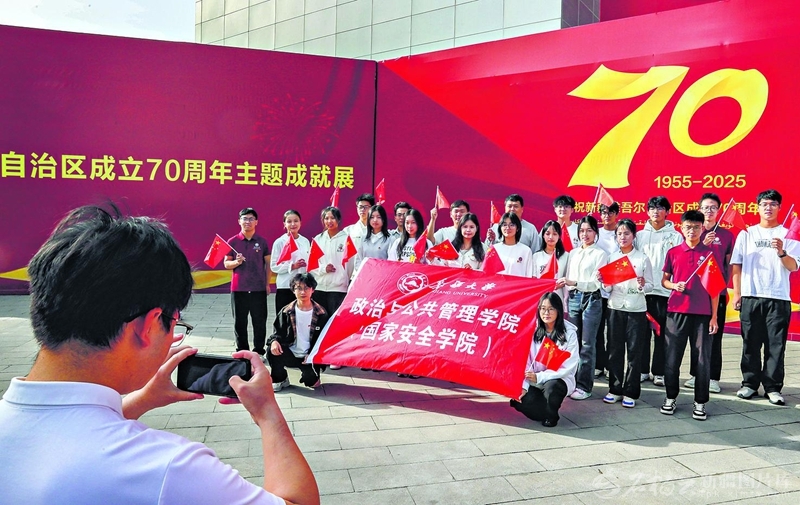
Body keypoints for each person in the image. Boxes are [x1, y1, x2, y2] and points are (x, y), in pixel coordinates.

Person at [0, 204, 319, 505]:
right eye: (175, 323)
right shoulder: (172, 468)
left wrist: (141, 400)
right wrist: (267, 414)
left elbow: (71, 431)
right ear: (149, 326)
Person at [732, 189, 799, 406]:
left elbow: (793, 266)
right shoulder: (746, 234)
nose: (768, 208)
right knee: (750, 343)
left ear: (779, 207)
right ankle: (749, 384)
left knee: (775, 345)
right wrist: (738, 293)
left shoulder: (788, 234)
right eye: (764, 204)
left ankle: (772, 387)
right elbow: (736, 266)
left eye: (772, 204)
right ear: (757, 207)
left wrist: (781, 252)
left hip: (778, 297)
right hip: (751, 296)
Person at [660, 210, 719, 421]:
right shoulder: (674, 252)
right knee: (672, 358)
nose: (692, 231)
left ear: (702, 228)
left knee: (702, 359)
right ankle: (670, 397)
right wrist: (674, 285)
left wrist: (714, 317)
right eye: (688, 227)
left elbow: (715, 289)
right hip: (676, 312)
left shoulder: (709, 254)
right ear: (681, 228)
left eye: (696, 227)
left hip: (702, 314)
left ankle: (700, 402)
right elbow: (664, 280)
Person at [601, 219, 654, 409]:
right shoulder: (612, 258)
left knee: (634, 352)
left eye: (626, 233)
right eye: (619, 234)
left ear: (633, 236)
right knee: (614, 350)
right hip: (615, 307)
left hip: (636, 309)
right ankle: (615, 388)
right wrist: (604, 281)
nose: (622, 237)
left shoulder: (642, 258)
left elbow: (650, 285)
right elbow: (607, 288)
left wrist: (642, 285)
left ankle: (631, 391)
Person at [685, 193, 734, 394]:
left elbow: (729, 265)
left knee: (714, 335)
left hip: (716, 292)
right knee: (695, 335)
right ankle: (695, 374)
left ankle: (713, 377)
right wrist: (703, 242)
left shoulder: (726, 235)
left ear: (718, 210)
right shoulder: (694, 232)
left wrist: (723, 286)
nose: (709, 211)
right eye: (705, 207)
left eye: (713, 207)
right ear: (699, 209)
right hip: (696, 293)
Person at [510, 292, 579, 428]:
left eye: (551, 309)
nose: (546, 313)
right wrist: (524, 386)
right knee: (522, 402)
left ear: (558, 310)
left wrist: (540, 377)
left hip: (557, 379)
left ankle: (551, 416)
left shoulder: (569, 333)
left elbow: (568, 365)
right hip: (533, 378)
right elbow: (525, 359)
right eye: (543, 308)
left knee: (551, 389)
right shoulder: (532, 329)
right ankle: (544, 410)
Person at [635, 196, 683, 385]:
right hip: (643, 292)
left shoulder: (676, 236)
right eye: (653, 208)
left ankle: (659, 372)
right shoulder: (639, 236)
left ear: (667, 211)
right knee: (641, 334)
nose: (656, 211)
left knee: (663, 334)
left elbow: (677, 265)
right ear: (647, 211)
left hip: (664, 292)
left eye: (660, 208)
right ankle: (642, 370)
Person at [564, 215, 609, 400]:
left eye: (589, 230)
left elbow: (595, 284)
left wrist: (574, 282)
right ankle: (571, 381)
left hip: (592, 299)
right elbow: (567, 279)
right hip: (574, 298)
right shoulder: (573, 253)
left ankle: (584, 386)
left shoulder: (600, 254)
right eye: (582, 231)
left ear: (595, 232)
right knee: (572, 341)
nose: (585, 234)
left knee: (587, 344)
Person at [267, 273, 330, 392]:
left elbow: (325, 340)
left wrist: (312, 355)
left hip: (310, 357)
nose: (303, 292)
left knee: (313, 383)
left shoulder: (321, 313)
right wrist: (274, 341)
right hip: (290, 352)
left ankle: (311, 375)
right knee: (271, 350)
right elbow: (277, 332)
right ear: (293, 290)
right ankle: (280, 378)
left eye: (306, 288)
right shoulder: (286, 311)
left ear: (313, 290)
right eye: (299, 288)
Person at [225, 207, 270, 358]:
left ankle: (259, 351)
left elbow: (268, 264)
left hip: (258, 288)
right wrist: (236, 262)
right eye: (245, 218)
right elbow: (226, 264)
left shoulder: (262, 242)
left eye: (251, 219)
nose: (248, 222)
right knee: (240, 322)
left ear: (256, 222)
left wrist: (267, 284)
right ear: (239, 221)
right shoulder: (232, 242)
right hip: (239, 289)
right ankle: (242, 351)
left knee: (259, 321)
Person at [594, 202, 620, 378]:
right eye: (604, 212)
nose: (607, 215)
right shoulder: (596, 234)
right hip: (598, 289)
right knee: (597, 330)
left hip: (617, 290)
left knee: (613, 332)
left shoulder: (622, 232)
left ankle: (612, 366)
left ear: (616, 214)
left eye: (611, 212)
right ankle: (599, 364)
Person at [310, 206, 352, 318]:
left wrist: (344, 280)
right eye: (326, 218)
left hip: (338, 289)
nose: (329, 221)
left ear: (338, 219)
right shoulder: (318, 239)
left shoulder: (347, 239)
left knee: (335, 320)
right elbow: (312, 265)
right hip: (319, 287)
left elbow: (351, 265)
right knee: (320, 321)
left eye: (332, 218)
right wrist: (324, 269)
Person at [270, 209, 310, 313]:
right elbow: (274, 266)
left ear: (300, 223)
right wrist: (292, 266)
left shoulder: (305, 241)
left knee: (300, 316)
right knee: (284, 317)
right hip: (285, 286)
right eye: (289, 221)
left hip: (302, 288)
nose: (293, 224)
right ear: (284, 224)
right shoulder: (279, 242)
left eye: (296, 221)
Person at [531, 220, 569, 308]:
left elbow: (567, 278)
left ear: (559, 236)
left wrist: (560, 284)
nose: (551, 237)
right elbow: (533, 279)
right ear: (543, 235)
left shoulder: (566, 256)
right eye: (547, 234)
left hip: (558, 297)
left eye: (555, 234)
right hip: (540, 297)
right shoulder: (536, 256)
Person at [491, 212, 533, 277]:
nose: (508, 228)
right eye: (504, 225)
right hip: (498, 283)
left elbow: (529, 276)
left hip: (519, 283)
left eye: (512, 225)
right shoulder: (494, 249)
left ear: (517, 228)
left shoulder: (526, 251)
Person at [354, 204, 392, 272]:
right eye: (372, 217)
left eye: (378, 217)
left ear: (383, 219)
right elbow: (358, 260)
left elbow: (391, 261)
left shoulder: (390, 239)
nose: (375, 220)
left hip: (382, 275)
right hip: (365, 275)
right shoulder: (363, 238)